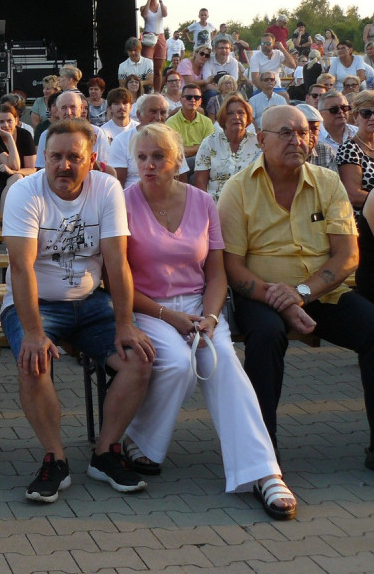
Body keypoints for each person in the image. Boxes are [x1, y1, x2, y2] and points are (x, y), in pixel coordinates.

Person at [122, 124, 295, 520]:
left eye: (158, 157)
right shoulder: (124, 203)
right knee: (180, 363)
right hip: (148, 308)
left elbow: (217, 275)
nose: (149, 166)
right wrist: (169, 316)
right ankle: (141, 442)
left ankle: (263, 473)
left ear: (177, 160)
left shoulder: (203, 202)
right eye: (142, 158)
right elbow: (117, 282)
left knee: (224, 366)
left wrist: (213, 318)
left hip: (201, 306)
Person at [220, 105, 374, 473]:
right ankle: (262, 455)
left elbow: (347, 255)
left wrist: (301, 293)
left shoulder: (327, 183)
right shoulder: (238, 189)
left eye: (304, 133)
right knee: (265, 334)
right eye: (285, 133)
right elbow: (232, 265)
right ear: (260, 139)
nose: (297, 140)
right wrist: (277, 297)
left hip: (320, 293)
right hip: (260, 295)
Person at [0, 118, 154, 503]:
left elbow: (117, 262)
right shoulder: (25, 192)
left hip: (91, 302)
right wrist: (34, 333)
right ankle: (56, 457)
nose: (63, 166)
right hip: (36, 304)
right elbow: (21, 266)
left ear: (93, 160)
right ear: (44, 158)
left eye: (74, 157)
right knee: (32, 361)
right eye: (55, 157)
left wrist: (125, 324)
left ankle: (105, 453)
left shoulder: (107, 188)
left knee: (138, 358)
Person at [110, 94, 187, 188]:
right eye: (153, 112)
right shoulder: (121, 141)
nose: (158, 117)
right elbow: (118, 184)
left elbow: (181, 179)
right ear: (139, 115)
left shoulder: (174, 141)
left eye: (163, 113)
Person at [194, 94, 261, 201]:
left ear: (248, 117)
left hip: (250, 206)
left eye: (241, 112)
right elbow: (200, 183)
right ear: (223, 118)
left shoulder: (259, 144)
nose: (236, 116)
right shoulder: (209, 143)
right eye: (230, 113)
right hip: (216, 207)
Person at [0, 102, 36, 213]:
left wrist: (13, 172)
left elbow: (32, 169)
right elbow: (15, 165)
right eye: (1, 122)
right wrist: (9, 137)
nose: (6, 125)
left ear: (16, 121)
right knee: (17, 179)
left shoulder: (25, 135)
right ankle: (2, 221)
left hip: (24, 179)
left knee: (17, 177)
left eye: (9, 121)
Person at [337, 89, 374, 211]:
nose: (373, 118)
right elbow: (353, 195)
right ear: (356, 116)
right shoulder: (349, 149)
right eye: (366, 113)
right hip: (365, 218)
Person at [165, 82, 214, 168]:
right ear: (181, 100)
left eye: (197, 97)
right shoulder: (171, 122)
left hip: (203, 162)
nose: (193, 100)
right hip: (179, 164)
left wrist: (188, 150)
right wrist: (200, 147)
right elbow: (175, 151)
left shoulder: (207, 122)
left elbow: (210, 148)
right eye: (188, 97)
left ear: (201, 101)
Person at [139, 0, 168, 92]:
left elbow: (165, 14)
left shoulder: (161, 7)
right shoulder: (143, 7)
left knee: (158, 70)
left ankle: (157, 92)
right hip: (149, 37)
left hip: (160, 37)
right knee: (148, 67)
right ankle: (147, 90)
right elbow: (145, 14)